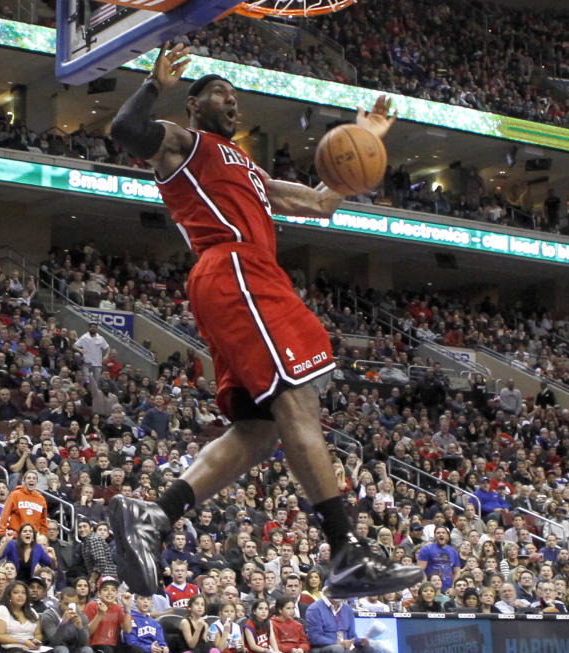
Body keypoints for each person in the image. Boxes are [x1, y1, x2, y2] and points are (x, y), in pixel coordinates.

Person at [107, 42, 420, 600]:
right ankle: (347, 553)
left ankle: (154, 516)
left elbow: (323, 203)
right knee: (298, 402)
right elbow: (126, 129)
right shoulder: (185, 144)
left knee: (259, 429)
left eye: (235, 98)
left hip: (245, 278)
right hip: (233, 270)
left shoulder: (250, 169)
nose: (232, 103)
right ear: (194, 105)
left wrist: (366, 138)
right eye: (220, 95)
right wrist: (155, 84)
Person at [304, 589, 371, 653]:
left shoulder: (348, 609)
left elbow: (352, 635)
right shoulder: (314, 609)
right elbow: (314, 638)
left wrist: (360, 641)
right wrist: (337, 643)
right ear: (326, 592)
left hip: (345, 647)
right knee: (338, 648)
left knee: (368, 647)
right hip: (324, 647)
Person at [0, 581, 43, 652]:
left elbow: (38, 634)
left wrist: (35, 641)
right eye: (16, 592)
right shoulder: (2, 610)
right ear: (9, 595)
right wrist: (22, 642)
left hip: (29, 647)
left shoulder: (32, 612)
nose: (20, 595)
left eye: (23, 593)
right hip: (7, 648)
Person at [83, 577, 132, 653]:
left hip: (112, 647)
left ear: (116, 593)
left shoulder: (118, 608)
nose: (110, 593)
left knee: (135, 649)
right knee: (107, 649)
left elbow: (128, 630)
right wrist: (100, 614)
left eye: (113, 590)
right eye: (105, 590)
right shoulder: (91, 606)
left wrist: (127, 606)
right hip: (94, 646)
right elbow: (87, 633)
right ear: (99, 593)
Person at [39, 587, 93, 653]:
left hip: (74, 648)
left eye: (74, 604)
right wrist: (63, 623)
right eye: (67, 604)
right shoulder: (49, 615)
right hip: (54, 648)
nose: (69, 608)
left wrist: (80, 628)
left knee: (87, 650)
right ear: (60, 602)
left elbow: (84, 643)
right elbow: (54, 642)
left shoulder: (81, 616)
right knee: (63, 650)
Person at [0, 472, 47, 537]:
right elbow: (5, 514)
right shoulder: (15, 495)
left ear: (37, 482)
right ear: (24, 481)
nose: (31, 480)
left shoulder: (41, 499)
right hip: (16, 536)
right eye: (28, 478)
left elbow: (43, 521)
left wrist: (42, 535)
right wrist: (2, 531)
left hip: (32, 537)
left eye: (34, 478)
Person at [415, 527, 459, 591]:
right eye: (438, 533)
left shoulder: (453, 551)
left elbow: (457, 571)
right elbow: (420, 570)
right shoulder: (426, 549)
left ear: (447, 536)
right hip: (431, 589)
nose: (441, 534)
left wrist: (453, 587)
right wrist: (426, 586)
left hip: (448, 589)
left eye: (443, 533)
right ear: (435, 536)